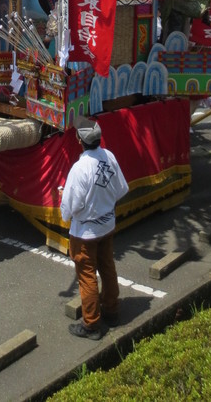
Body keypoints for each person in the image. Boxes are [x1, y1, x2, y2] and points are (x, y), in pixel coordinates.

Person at [59, 116, 129, 340]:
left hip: (86, 232)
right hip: (107, 224)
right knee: (107, 267)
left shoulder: (80, 168)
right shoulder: (109, 157)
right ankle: (111, 309)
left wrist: (64, 206)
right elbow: (120, 189)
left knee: (87, 275)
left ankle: (91, 324)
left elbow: (71, 205)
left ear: (79, 140)